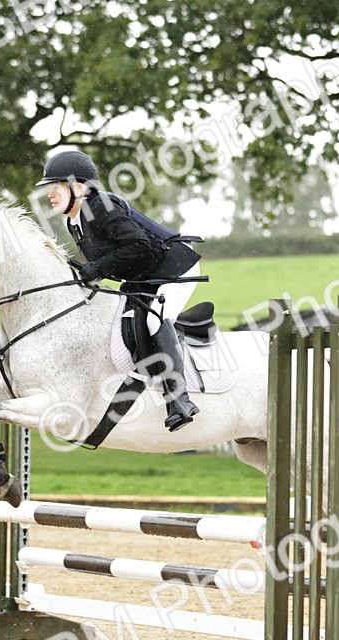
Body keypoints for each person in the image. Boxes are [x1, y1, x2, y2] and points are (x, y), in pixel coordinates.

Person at [36, 150, 203, 432]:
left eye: (56, 186)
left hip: (175, 267)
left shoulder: (100, 206)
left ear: (78, 187)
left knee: (153, 319)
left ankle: (179, 400)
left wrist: (97, 269)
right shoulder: (74, 221)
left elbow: (139, 245)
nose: (50, 194)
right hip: (145, 275)